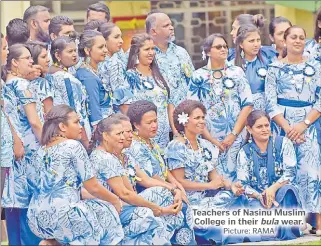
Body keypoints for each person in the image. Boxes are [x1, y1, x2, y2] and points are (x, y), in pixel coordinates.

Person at [26, 105, 124, 245]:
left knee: (94, 209)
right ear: (62, 126)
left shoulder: (39, 152)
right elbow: (93, 187)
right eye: (77, 122)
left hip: (36, 218)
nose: (81, 127)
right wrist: (115, 200)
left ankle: (52, 242)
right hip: (65, 215)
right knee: (105, 212)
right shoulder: (72, 146)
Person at [165, 99, 251, 245]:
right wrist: (209, 186)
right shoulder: (176, 146)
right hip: (190, 199)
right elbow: (179, 182)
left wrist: (231, 186)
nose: (202, 121)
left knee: (235, 197)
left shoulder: (205, 145)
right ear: (185, 121)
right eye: (197, 118)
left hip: (208, 195)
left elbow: (215, 176)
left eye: (203, 117)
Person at [90, 115, 186, 245]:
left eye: (125, 133)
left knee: (165, 198)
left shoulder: (116, 156)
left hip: (124, 206)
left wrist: (173, 190)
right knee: (149, 216)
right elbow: (125, 194)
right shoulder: (104, 158)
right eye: (119, 134)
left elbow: (132, 189)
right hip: (111, 211)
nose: (124, 137)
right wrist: (158, 209)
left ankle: (180, 239)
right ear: (106, 136)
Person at [265, 25, 321, 236]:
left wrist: (303, 124)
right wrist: (289, 129)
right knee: (288, 171)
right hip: (282, 127)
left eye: (301, 37)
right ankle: (294, 222)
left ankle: (316, 221)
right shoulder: (274, 69)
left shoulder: (316, 67)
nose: (297, 40)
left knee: (311, 172)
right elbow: (270, 102)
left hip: (309, 125)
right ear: (285, 41)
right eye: (293, 37)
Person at [114, 113, 197, 245]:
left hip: (134, 200)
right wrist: (162, 206)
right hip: (120, 207)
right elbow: (130, 192)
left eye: (130, 131)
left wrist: (175, 189)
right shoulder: (110, 157)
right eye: (125, 132)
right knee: (164, 201)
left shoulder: (126, 156)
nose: (130, 135)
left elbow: (146, 178)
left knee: (175, 203)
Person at [188, 33, 253, 181]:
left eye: (225, 46)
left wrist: (233, 134)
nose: (223, 49)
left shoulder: (236, 72)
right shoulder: (198, 76)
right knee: (215, 180)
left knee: (238, 177)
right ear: (208, 51)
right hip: (207, 137)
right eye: (218, 47)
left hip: (237, 135)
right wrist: (211, 139)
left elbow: (248, 105)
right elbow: (192, 110)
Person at [237, 110, 302, 240]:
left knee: (288, 190)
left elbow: (290, 173)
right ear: (249, 129)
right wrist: (259, 195)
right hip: (258, 197)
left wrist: (272, 189)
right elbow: (243, 184)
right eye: (259, 126)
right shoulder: (244, 152)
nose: (264, 129)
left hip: (280, 193)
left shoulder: (283, 143)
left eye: (266, 125)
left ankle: (285, 229)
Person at [2, 43, 43, 245]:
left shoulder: (6, 85)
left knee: (14, 204)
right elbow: (35, 121)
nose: (31, 61)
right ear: (14, 63)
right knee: (30, 203)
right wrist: (47, 145)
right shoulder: (22, 85)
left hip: (12, 151)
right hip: (29, 151)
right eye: (27, 58)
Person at [145, 12, 194, 136]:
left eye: (171, 24)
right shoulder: (143, 54)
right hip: (156, 123)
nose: (171, 28)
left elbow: (192, 83)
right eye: (166, 25)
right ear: (153, 31)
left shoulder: (181, 52)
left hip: (184, 119)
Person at [126, 33, 171, 148]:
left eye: (153, 49)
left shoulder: (160, 73)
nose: (151, 52)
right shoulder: (129, 76)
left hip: (164, 136)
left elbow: (169, 103)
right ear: (136, 52)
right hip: (142, 138)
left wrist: (174, 131)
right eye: (147, 49)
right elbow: (125, 108)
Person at [46, 36, 91, 147]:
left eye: (75, 50)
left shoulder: (50, 73)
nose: (75, 54)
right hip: (73, 130)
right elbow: (75, 110)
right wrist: (85, 141)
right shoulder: (65, 78)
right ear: (57, 55)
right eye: (70, 51)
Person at [232, 24, 277, 111]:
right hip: (242, 112)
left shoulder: (269, 62)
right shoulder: (233, 66)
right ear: (241, 44)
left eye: (258, 40)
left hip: (266, 111)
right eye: (251, 41)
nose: (256, 44)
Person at [76, 30, 114, 127]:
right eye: (101, 47)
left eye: (105, 46)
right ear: (87, 50)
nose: (105, 50)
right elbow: (94, 112)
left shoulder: (91, 72)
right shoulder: (88, 77)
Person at [97, 22, 132, 113]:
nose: (121, 41)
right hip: (116, 116)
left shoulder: (95, 61)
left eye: (121, 36)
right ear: (104, 40)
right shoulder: (114, 63)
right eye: (116, 37)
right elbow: (123, 101)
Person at [27, 41, 53, 114]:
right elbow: (49, 112)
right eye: (43, 57)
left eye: (47, 56)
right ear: (33, 60)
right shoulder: (41, 83)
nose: (48, 60)